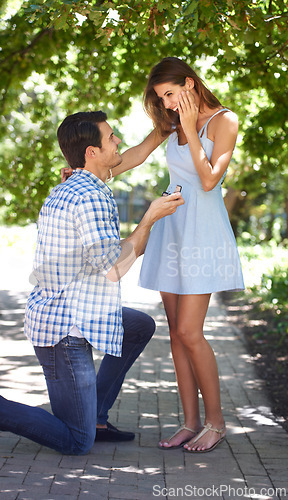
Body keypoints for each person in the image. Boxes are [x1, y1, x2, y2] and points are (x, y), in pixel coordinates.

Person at [0, 110, 184, 455]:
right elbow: (114, 269)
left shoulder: (83, 182)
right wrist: (150, 218)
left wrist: (162, 131)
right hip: (63, 330)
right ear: (92, 152)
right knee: (76, 441)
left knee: (139, 325)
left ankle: (95, 415)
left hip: (75, 308)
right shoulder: (90, 196)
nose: (118, 141)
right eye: (111, 137)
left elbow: (135, 155)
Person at [138, 57, 245, 453]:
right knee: (175, 333)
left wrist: (189, 130)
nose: (167, 105)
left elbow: (208, 179)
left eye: (170, 94)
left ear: (189, 83)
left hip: (202, 233)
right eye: (161, 98)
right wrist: (86, 169)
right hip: (171, 230)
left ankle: (216, 423)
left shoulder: (224, 120)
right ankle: (190, 422)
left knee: (189, 331)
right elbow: (133, 154)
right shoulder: (169, 123)